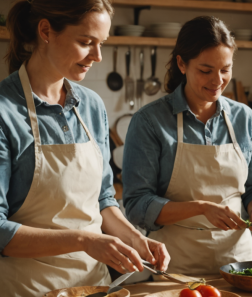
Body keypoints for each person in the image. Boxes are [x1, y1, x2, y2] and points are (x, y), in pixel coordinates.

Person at [0, 0, 169, 295]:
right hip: (29, 287)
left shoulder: (91, 105)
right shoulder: (5, 111)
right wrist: (84, 240)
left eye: (101, 43)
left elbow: (103, 199)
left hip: (93, 286)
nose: (98, 56)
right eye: (86, 42)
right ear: (45, 31)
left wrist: (135, 238)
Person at [122, 16, 252, 275]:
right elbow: (137, 206)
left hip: (239, 262)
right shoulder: (150, 121)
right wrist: (201, 208)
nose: (217, 81)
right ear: (182, 63)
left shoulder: (244, 118)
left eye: (225, 70)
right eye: (206, 70)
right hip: (176, 263)